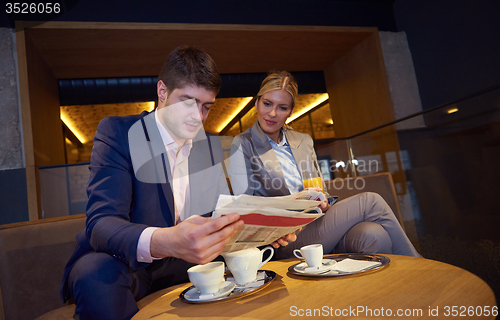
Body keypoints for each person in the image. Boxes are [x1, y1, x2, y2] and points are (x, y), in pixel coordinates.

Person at [60, 45, 244, 320]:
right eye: (187, 102)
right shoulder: (119, 133)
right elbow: (101, 223)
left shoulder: (208, 147)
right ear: (162, 92)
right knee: (95, 274)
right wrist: (167, 240)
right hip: (127, 265)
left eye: (206, 107)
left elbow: (220, 213)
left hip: (185, 264)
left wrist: (262, 229)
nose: (198, 117)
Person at [227, 70, 420, 260]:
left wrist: (324, 201)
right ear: (256, 103)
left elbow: (320, 190)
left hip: (317, 222)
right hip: (285, 238)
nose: (272, 113)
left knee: (374, 235)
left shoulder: (303, 141)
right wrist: (290, 207)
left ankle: (388, 290)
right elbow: (245, 207)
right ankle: (419, 267)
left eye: (282, 107)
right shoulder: (243, 144)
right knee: (370, 201)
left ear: (290, 111)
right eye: (267, 104)